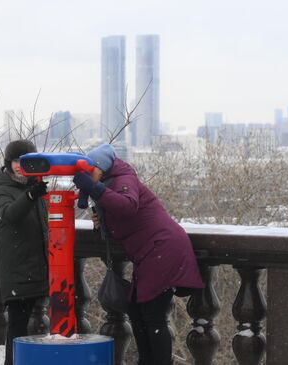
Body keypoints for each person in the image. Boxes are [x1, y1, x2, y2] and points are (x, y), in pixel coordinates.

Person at [73, 143, 204, 365]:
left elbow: (126, 206)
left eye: (90, 168)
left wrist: (95, 190)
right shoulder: (109, 182)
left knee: (152, 315)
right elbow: (121, 219)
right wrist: (101, 221)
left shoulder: (124, 179)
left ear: (102, 167)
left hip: (163, 249)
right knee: (136, 310)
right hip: (152, 253)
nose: (87, 173)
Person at [0, 140, 49, 365]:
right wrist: (30, 196)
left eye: (25, 161)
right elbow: (9, 214)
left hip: (35, 264)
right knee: (17, 326)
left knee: (33, 326)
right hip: (17, 267)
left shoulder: (33, 183)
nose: (19, 165)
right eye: (16, 161)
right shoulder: (3, 186)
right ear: (8, 162)